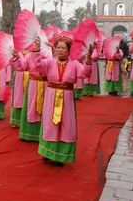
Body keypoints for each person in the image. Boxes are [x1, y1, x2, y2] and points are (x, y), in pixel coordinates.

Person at [30, 34, 93, 165]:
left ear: (69, 50)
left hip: (67, 98)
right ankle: (47, 152)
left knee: (66, 125)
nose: (59, 50)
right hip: (51, 97)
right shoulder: (50, 62)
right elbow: (38, 64)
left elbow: (85, 73)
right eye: (58, 47)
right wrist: (36, 49)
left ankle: (61, 155)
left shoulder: (75, 64)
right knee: (49, 124)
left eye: (63, 48)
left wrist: (88, 59)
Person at [10, 51, 29, 128]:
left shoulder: (33, 52)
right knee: (18, 97)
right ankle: (16, 120)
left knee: (28, 98)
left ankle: (26, 120)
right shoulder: (17, 51)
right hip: (19, 75)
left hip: (30, 76)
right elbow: (12, 63)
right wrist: (17, 58)